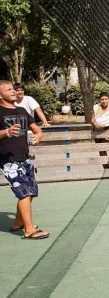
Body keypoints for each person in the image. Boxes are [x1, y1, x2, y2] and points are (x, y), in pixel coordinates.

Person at [0, 80, 49, 239]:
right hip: (8, 160)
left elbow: (36, 129)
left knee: (31, 192)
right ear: (0, 95)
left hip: (25, 158)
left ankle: (18, 223)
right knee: (24, 193)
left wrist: (39, 135)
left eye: (13, 89)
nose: (13, 91)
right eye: (9, 90)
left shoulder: (21, 110)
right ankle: (29, 230)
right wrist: (6, 131)